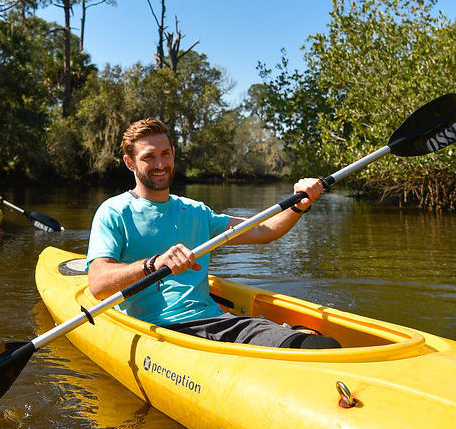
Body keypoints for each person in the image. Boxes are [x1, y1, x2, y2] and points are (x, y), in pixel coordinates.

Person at [87, 117, 340, 349]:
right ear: (130, 162)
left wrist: (297, 206)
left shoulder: (196, 211)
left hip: (217, 322)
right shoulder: (114, 211)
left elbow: (264, 229)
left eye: (165, 154)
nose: (160, 164)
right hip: (158, 331)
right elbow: (98, 283)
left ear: (174, 154)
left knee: (320, 345)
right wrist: (153, 264)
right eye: (149, 157)